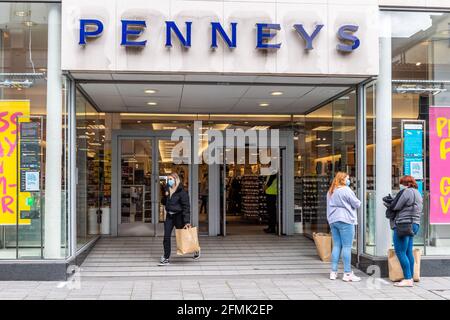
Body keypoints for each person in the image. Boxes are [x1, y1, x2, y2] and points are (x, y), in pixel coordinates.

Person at [385, 175, 422, 287]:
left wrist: (389, 203)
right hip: (414, 224)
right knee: (408, 252)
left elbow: (396, 206)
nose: (400, 185)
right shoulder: (417, 193)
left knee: (400, 251)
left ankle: (407, 278)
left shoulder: (406, 192)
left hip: (403, 225)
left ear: (404, 183)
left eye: (401, 183)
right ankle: (410, 277)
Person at [159, 173, 200, 266]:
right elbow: (163, 202)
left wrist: (186, 221)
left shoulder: (182, 192)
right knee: (166, 237)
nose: (169, 181)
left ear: (176, 180)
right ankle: (166, 257)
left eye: (171, 179)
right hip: (169, 216)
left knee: (184, 235)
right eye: (168, 179)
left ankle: (196, 249)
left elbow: (186, 207)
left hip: (179, 216)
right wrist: (165, 196)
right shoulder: (167, 189)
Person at [327, 172, 361, 282]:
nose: (348, 180)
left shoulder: (331, 191)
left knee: (337, 245)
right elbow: (357, 204)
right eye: (347, 178)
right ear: (342, 179)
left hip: (333, 220)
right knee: (347, 247)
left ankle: (333, 272)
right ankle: (347, 273)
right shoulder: (346, 190)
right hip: (346, 220)